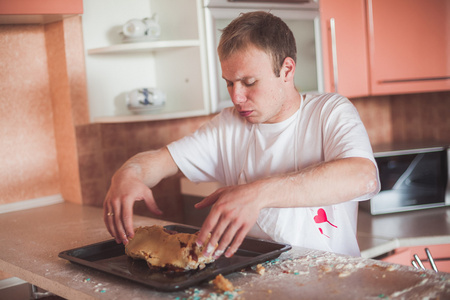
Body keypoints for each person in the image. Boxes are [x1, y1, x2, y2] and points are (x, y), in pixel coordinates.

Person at [103, 11, 380, 258]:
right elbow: (161, 160)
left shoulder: (329, 112)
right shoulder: (228, 126)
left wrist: (256, 194)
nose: (236, 97)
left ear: (287, 70)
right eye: (229, 83)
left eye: (249, 82)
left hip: (334, 283)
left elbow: (362, 176)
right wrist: (128, 174)